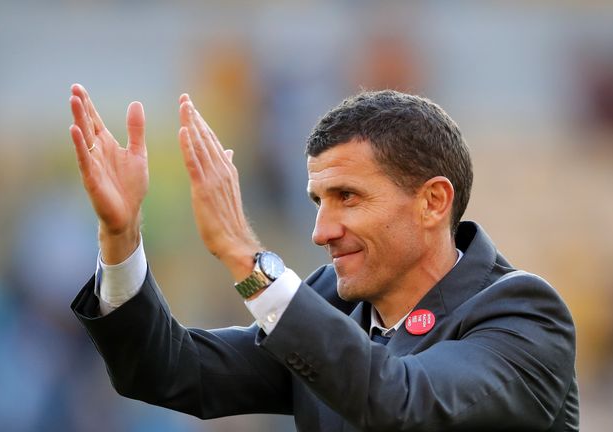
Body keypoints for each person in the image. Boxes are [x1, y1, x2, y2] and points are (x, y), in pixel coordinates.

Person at [68, 84, 579, 431]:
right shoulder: (329, 303)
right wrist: (121, 237)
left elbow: (402, 402)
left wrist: (247, 257)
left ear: (432, 202)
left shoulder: (525, 316)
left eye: (348, 197)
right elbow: (169, 370)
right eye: (318, 201)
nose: (321, 231)